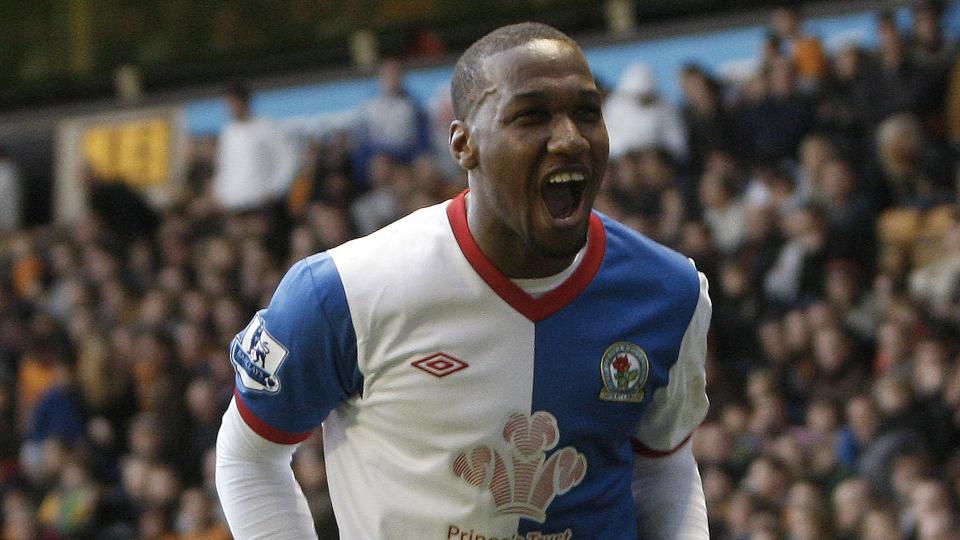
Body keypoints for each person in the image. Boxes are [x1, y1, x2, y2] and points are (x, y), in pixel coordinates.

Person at [216, 22, 711, 539]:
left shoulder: (669, 292)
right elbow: (249, 458)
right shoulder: (342, 292)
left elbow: (665, 468)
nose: (570, 138)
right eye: (531, 116)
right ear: (463, 144)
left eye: (588, 112)